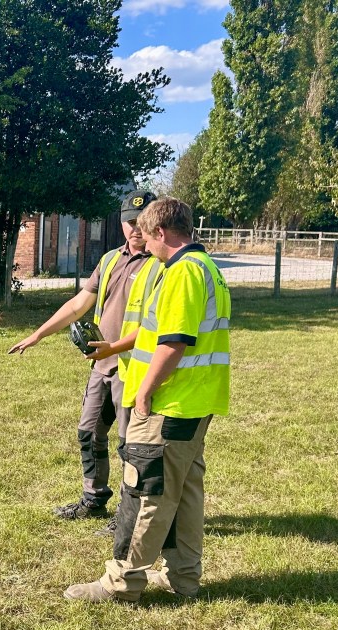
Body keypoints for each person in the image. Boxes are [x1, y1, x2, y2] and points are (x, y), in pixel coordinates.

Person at [64, 197, 230, 604]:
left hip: (168, 405)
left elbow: (172, 344)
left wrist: (143, 392)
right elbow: (158, 332)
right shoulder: (205, 267)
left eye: (146, 233)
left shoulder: (182, 273)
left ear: (160, 232)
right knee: (185, 492)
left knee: (145, 492)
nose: (142, 243)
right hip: (195, 403)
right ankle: (183, 578)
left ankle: (122, 582)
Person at [8, 190, 158, 530]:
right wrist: (38, 334)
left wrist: (116, 348)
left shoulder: (160, 265)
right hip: (101, 365)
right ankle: (94, 499)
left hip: (133, 369)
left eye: (142, 222)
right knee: (89, 432)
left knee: (129, 444)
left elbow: (157, 326)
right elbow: (79, 304)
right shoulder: (108, 260)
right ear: (121, 222)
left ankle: (128, 512)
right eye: (130, 222)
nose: (136, 229)